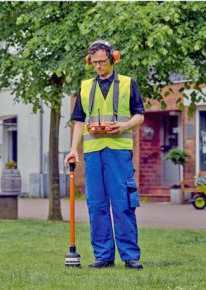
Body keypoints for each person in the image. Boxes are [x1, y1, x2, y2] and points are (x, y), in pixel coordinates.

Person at [64, 39, 145, 269]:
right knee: (97, 204)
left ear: (113, 58)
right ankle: (103, 256)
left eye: (103, 61)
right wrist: (73, 149)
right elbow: (79, 121)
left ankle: (130, 256)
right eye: (95, 62)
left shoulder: (129, 84)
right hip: (92, 153)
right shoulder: (85, 87)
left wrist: (124, 126)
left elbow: (140, 115)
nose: (99, 66)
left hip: (119, 152)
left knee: (123, 202)